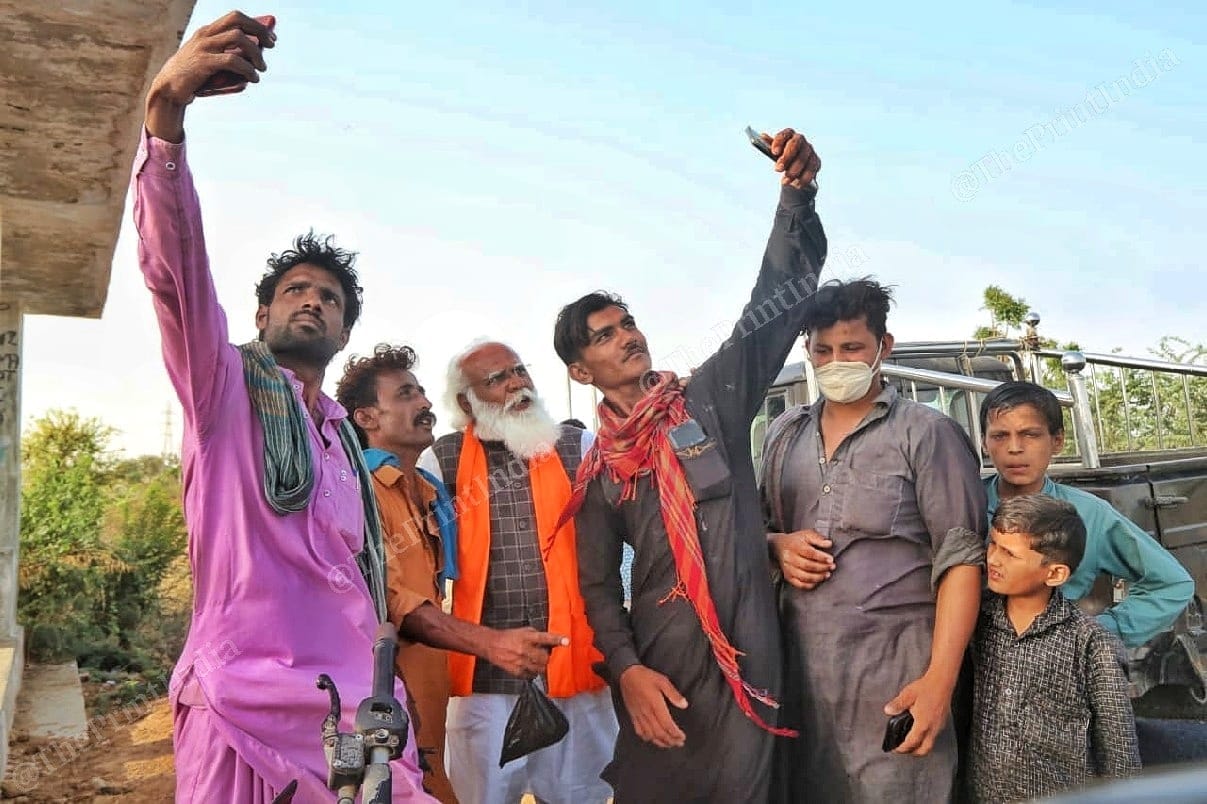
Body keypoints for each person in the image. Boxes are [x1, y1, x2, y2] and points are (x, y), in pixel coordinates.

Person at [134, 12, 433, 800]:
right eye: (294, 290)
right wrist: (166, 114)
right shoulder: (221, 390)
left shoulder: (342, 443)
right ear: (262, 316)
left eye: (329, 297)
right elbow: (175, 274)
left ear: (343, 331)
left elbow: (359, 588)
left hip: (353, 718)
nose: (311, 301)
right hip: (245, 709)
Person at [556, 127, 826, 802]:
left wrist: (796, 196)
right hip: (664, 670)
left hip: (747, 655)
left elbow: (772, 310)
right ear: (578, 369)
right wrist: (627, 673)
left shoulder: (706, 401)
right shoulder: (600, 473)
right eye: (605, 335)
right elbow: (596, 590)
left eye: (627, 323)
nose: (627, 337)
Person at [760, 278, 986, 803]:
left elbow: (960, 561)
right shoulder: (782, 434)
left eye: (851, 348)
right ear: (807, 351)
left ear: (884, 346)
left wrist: (939, 682)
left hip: (897, 670)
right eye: (823, 350)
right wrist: (778, 545)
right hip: (800, 672)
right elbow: (756, 528)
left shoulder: (927, 434)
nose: (836, 361)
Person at [336, 344, 567, 803]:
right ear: (366, 418)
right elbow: (399, 604)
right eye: (405, 395)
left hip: (430, 704)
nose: (424, 403)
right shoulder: (357, 491)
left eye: (421, 392)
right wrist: (492, 643)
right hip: (381, 702)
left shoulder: (427, 492)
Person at [418, 341, 617, 804]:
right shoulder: (440, 460)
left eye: (519, 370)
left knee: (581, 794)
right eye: (497, 379)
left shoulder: (579, 446)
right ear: (467, 402)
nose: (516, 384)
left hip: (578, 664)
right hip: (486, 677)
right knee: (480, 796)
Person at [980, 381, 1193, 647]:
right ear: (984, 444)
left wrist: (1099, 633)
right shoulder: (962, 503)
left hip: (1053, 671)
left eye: (1030, 434)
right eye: (1000, 436)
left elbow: (1172, 583)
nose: (1014, 447)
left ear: (1057, 441)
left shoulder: (1087, 514)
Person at [970, 494, 1140, 802]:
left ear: (1055, 573)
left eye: (1009, 553)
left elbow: (1119, 751)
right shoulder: (975, 622)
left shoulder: (1090, 643)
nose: (993, 559)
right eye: (993, 544)